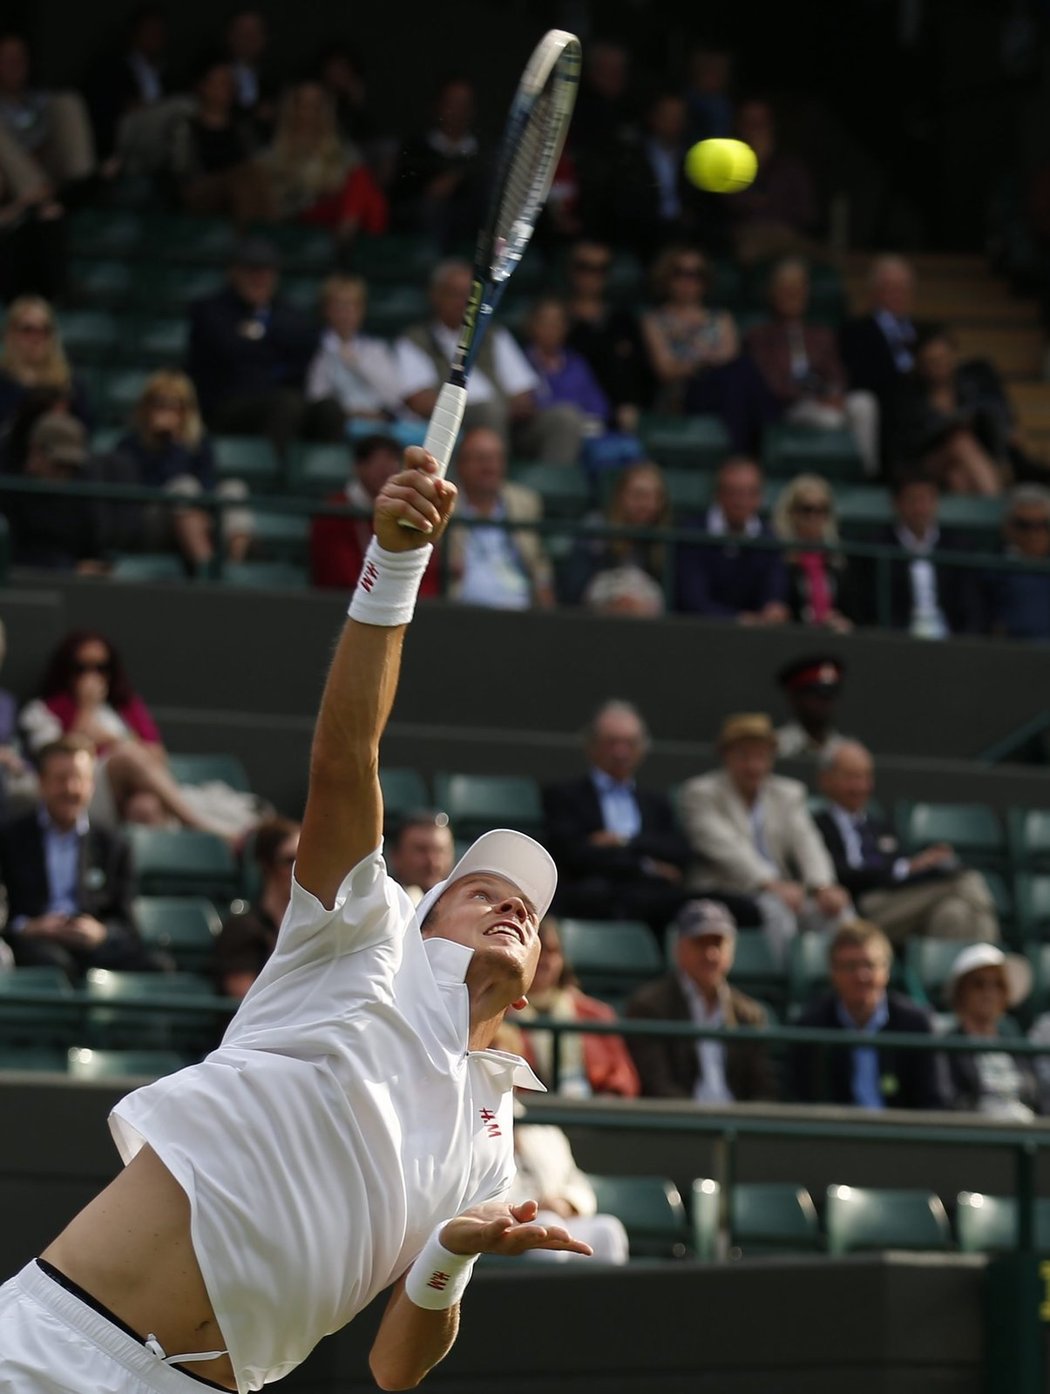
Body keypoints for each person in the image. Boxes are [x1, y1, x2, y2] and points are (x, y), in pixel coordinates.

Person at [0, 446, 591, 1394]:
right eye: (484, 891)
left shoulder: (493, 1146)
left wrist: (453, 1252)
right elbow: (345, 757)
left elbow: (397, 1367)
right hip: (56, 1346)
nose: (513, 905)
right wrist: (395, 565)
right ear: (428, 912)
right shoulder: (366, 931)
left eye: (528, 907)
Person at [20, 630, 244, 840]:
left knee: (145, 807)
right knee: (126, 757)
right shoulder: (43, 711)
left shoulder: (126, 707)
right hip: (83, 794)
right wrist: (86, 710)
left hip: (134, 797)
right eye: (81, 668)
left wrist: (115, 740)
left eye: (101, 667)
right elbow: (54, 765)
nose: (92, 676)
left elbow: (158, 761)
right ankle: (202, 829)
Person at [678, 713, 851, 961]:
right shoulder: (700, 793)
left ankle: (840, 975)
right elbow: (727, 849)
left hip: (782, 890)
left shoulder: (788, 793)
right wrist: (770, 884)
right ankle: (791, 980)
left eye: (761, 756)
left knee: (838, 908)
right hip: (726, 891)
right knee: (776, 909)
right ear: (726, 755)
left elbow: (808, 843)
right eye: (744, 756)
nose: (754, 766)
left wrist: (822, 886)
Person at [0, 734, 159, 984]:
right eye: (61, 779)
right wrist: (30, 927)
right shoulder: (10, 838)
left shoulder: (113, 844)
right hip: (35, 946)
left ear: (92, 784)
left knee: (157, 965)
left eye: (80, 779)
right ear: (41, 783)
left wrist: (100, 931)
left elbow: (127, 922)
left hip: (94, 948)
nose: (71, 789)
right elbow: (5, 913)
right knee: (53, 966)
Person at [396, 259, 583, 465]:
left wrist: (504, 409)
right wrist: (483, 408)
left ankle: (553, 489)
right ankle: (496, 487)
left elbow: (524, 394)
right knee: (489, 410)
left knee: (565, 417)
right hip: (457, 425)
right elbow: (420, 401)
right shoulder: (415, 339)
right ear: (436, 296)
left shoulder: (494, 334)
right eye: (455, 294)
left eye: (471, 294)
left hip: (509, 422)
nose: (464, 301)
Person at [814, 739, 1000, 945]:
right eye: (852, 777)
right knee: (963, 880)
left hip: (901, 901)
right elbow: (842, 873)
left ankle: (953, 975)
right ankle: (993, 960)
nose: (861, 786)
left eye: (866, 777)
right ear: (826, 779)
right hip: (862, 907)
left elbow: (899, 865)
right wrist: (904, 868)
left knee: (954, 913)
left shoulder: (881, 826)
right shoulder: (816, 826)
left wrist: (923, 864)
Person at [542, 699, 692, 934]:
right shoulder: (564, 796)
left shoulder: (656, 802)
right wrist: (645, 863)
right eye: (612, 743)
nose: (621, 752)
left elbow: (678, 851)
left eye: (630, 743)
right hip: (595, 895)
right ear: (592, 746)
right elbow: (570, 853)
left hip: (650, 896)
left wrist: (623, 842)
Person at [624, 898, 775, 1101]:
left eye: (718, 943)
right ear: (679, 948)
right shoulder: (648, 1006)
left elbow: (763, 1086)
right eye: (700, 943)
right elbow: (656, 1083)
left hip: (739, 1125)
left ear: (732, 950)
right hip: (677, 1125)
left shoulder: (750, 1013)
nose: (710, 954)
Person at [187, 237, 324, 455]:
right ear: (234, 272)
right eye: (252, 270)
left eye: (266, 271)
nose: (259, 278)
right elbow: (228, 352)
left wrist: (257, 341)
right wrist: (272, 346)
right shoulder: (210, 310)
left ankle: (321, 477)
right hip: (227, 406)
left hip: (278, 401)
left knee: (328, 410)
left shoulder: (289, 313)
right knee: (288, 403)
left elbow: (304, 349)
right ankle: (274, 477)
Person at [788, 920, 946, 1109]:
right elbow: (801, 1101)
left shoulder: (917, 1024)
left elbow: (935, 1102)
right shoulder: (810, 1026)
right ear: (833, 972)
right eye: (850, 966)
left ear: (886, 970)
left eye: (869, 965)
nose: (861, 976)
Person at [745, 258, 878, 474]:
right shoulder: (760, 336)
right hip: (788, 407)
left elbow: (837, 374)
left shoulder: (821, 335)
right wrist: (817, 394)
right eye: (786, 289)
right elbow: (772, 382)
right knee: (830, 419)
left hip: (822, 399)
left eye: (798, 288)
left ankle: (866, 471)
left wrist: (834, 393)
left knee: (864, 403)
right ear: (772, 293)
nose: (792, 295)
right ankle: (831, 474)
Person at [113, 370, 253, 572]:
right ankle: (207, 570)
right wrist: (172, 446)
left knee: (235, 488)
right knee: (183, 485)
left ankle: (232, 569)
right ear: (146, 406)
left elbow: (207, 483)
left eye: (177, 404)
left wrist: (178, 444)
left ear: (187, 410)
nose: (168, 411)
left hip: (195, 516)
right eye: (160, 403)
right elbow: (146, 490)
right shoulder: (130, 445)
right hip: (153, 521)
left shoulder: (199, 443)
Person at [504, 915, 640, 1098]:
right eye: (538, 951)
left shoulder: (596, 1014)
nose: (545, 961)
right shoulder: (495, 1015)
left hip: (591, 1116)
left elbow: (622, 1079)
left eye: (553, 952)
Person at [257, 81, 387, 245]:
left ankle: (355, 238)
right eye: (304, 104)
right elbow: (275, 197)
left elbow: (355, 183)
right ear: (293, 108)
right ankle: (370, 248)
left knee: (366, 187)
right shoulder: (276, 151)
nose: (310, 111)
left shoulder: (339, 148)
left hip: (340, 213)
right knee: (366, 193)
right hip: (300, 213)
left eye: (316, 105)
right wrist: (317, 192)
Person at [310, 432, 440, 595]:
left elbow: (424, 576)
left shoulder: (408, 509)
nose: (387, 474)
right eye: (380, 468)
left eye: (393, 467)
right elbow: (338, 576)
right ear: (358, 467)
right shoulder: (335, 510)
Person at [855, 474, 985, 636]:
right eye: (912, 500)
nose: (920, 508)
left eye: (926, 500)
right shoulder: (875, 546)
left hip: (949, 638)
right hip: (896, 639)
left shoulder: (959, 546)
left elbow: (971, 604)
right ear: (896, 503)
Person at [444, 425, 554, 609]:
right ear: (461, 465)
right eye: (480, 459)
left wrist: (545, 592)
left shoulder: (525, 502)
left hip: (519, 614)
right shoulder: (446, 504)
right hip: (461, 613)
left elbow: (538, 561)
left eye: (496, 459)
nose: (489, 467)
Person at [675, 456, 790, 623]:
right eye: (735, 493)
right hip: (701, 632)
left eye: (751, 493)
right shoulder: (692, 532)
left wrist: (773, 608)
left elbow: (775, 589)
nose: (742, 501)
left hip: (757, 636)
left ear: (760, 497)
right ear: (719, 494)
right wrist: (737, 619)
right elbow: (692, 599)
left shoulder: (769, 537)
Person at [896, 328, 1006, 495]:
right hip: (923, 465)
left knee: (957, 477)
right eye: (933, 361)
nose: (940, 366)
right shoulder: (908, 397)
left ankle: (974, 517)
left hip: (964, 463)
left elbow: (988, 427)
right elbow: (908, 445)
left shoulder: (969, 388)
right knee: (960, 441)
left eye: (944, 358)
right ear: (920, 364)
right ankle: (995, 502)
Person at [507, 1118, 630, 1264]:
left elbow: (576, 1181)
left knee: (607, 1230)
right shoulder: (480, 1125)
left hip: (559, 1217)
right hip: (509, 1221)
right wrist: (534, 1206)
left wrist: (566, 1203)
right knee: (547, 1226)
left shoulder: (547, 1130)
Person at [840, 255, 921, 468]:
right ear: (873, 293)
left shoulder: (924, 331)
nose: (898, 295)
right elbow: (859, 378)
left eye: (904, 289)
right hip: (889, 409)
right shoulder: (856, 330)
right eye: (890, 288)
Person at [564, 238, 653, 433]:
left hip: (617, 418)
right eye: (585, 267)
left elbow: (641, 373)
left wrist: (630, 404)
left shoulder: (623, 322)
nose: (592, 276)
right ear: (572, 270)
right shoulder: (557, 320)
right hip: (571, 413)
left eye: (600, 269)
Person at [941, 943, 1039, 1120]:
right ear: (962, 991)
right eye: (979, 984)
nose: (989, 993)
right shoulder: (948, 1045)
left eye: (998, 985)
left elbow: (1038, 1096)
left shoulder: (1015, 1040)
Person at [167, 55, 269, 224]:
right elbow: (181, 171)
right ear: (202, 86)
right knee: (239, 179)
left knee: (251, 179)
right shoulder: (185, 127)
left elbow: (255, 161)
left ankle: (262, 234)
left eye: (229, 83)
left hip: (240, 190)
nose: (225, 89)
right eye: (219, 83)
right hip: (198, 189)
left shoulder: (243, 127)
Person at [640, 245, 739, 417]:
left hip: (721, 387)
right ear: (667, 276)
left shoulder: (722, 318)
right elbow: (665, 370)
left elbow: (730, 359)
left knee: (741, 374)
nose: (688, 281)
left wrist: (694, 363)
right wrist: (703, 364)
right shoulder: (655, 320)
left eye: (696, 274)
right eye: (680, 273)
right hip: (681, 393)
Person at [559, 460, 669, 612]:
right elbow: (573, 590)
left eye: (655, 497)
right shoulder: (596, 528)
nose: (646, 504)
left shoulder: (665, 539)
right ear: (621, 496)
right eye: (639, 495)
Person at [2, 414, 107, 572]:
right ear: (35, 452)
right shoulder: (10, 495)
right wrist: (70, 569)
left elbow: (94, 552)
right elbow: (13, 557)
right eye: (59, 464)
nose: (64, 474)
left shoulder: (80, 498)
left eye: (71, 467)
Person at [212, 816, 300, 999]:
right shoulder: (242, 928)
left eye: (306, 860)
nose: (298, 870)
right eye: (289, 860)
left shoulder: (311, 925)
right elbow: (246, 998)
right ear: (266, 865)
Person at [394, 77, 486, 248]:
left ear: (473, 110)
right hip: (423, 241)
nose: (458, 111)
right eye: (452, 103)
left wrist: (458, 178)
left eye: (464, 104)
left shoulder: (485, 156)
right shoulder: (415, 150)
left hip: (470, 244)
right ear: (438, 106)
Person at [305, 274, 406, 428]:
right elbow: (316, 397)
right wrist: (350, 413)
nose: (345, 313)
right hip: (339, 424)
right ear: (326, 310)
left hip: (378, 423)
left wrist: (357, 363)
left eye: (352, 306)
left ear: (361, 310)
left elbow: (393, 397)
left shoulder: (376, 349)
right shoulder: (318, 350)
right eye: (338, 306)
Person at [0, 33, 96, 194]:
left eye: (20, 57)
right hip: (16, 179)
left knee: (67, 100)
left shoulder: (41, 99)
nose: (16, 64)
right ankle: (38, 196)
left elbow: (56, 138)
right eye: (7, 59)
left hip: (47, 162)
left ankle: (84, 185)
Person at [725, 99, 818, 263]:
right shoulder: (728, 166)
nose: (757, 128)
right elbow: (733, 207)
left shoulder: (791, 167)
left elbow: (806, 212)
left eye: (762, 122)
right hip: (746, 238)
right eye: (750, 122)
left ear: (772, 125)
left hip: (787, 237)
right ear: (739, 127)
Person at [771, 476, 858, 632]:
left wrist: (842, 621)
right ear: (791, 513)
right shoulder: (777, 558)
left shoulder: (838, 561)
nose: (814, 517)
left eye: (822, 510)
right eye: (807, 509)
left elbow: (855, 612)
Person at [0, 294, 93, 431]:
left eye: (44, 330)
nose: (37, 338)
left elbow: (85, 433)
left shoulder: (70, 384)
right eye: (28, 330)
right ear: (10, 334)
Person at [522, 296, 610, 438]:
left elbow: (599, 407)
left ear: (565, 328)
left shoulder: (577, 363)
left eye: (557, 323)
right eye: (545, 322)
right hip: (540, 434)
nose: (551, 329)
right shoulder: (520, 363)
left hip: (584, 433)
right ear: (531, 325)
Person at [986, 485, 1050, 641]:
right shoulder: (991, 568)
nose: (1034, 534)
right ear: (1008, 527)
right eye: (1025, 525)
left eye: (1042, 525)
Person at [774, 653, 849, 758]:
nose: (823, 702)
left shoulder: (847, 752)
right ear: (794, 698)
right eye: (815, 694)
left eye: (830, 695)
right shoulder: (775, 747)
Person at [387, 809, 455, 907]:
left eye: (440, 851)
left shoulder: (468, 909)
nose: (433, 862)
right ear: (395, 855)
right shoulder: (382, 908)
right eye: (421, 850)